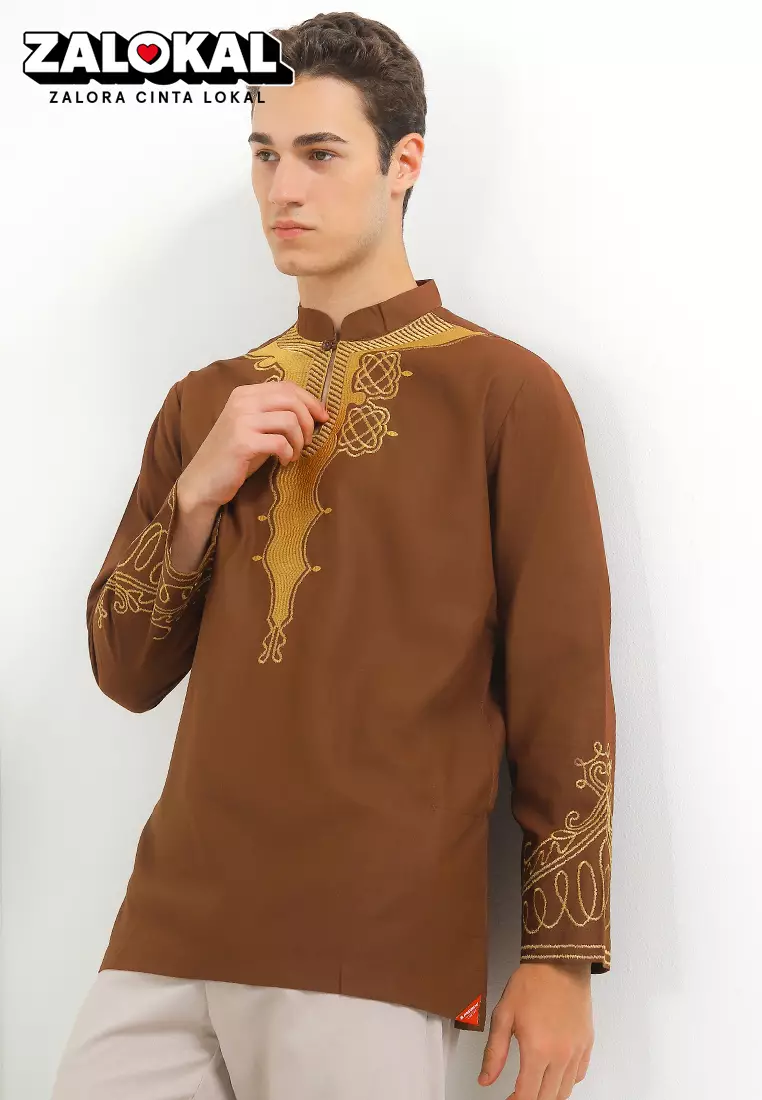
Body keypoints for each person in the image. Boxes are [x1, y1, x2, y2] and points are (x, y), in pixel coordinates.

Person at [51, 12, 616, 1100]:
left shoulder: (505, 394)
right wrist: (195, 497)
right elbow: (124, 670)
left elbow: (564, 687)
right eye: (264, 155)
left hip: (370, 942)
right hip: (166, 933)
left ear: (404, 163)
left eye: (319, 153)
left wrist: (561, 954)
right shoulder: (206, 402)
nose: (283, 189)